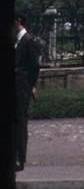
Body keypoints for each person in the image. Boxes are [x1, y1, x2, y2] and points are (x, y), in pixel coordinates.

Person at [14, 14, 41, 172]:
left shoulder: (28, 41)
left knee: (19, 122)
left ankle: (19, 158)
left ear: (18, 21)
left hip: (21, 87)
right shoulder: (15, 41)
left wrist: (32, 85)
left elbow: (34, 66)